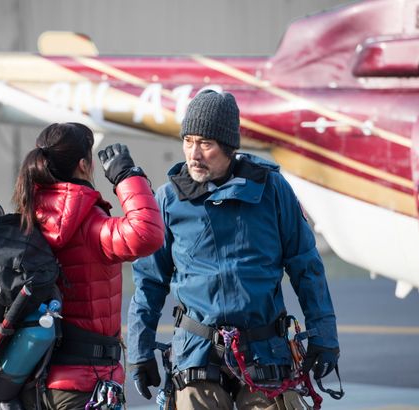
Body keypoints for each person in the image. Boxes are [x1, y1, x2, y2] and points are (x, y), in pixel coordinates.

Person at [126, 90, 340, 410]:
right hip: (196, 357)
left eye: (205, 144)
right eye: (188, 141)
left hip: (266, 354)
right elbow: (149, 282)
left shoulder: (272, 190)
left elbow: (306, 266)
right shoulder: (169, 200)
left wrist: (325, 337)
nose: (193, 153)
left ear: (228, 147)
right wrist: (139, 352)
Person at [12, 122, 164, 410]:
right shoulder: (90, 223)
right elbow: (147, 234)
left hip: (32, 382)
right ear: (84, 165)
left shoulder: (29, 216)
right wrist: (126, 176)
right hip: (84, 384)